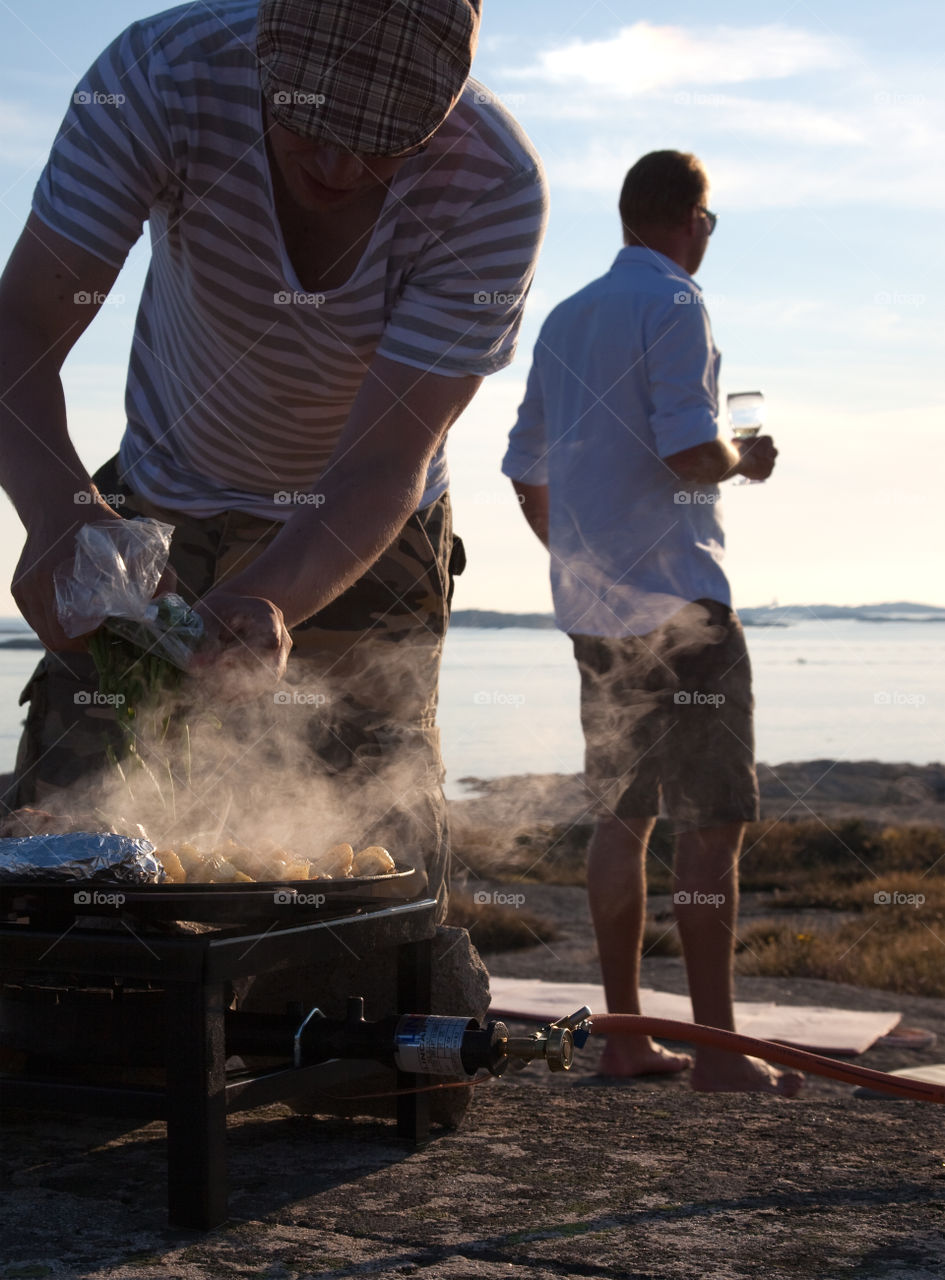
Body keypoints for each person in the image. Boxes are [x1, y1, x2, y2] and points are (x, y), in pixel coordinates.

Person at [0, 0, 547, 915]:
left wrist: (269, 596)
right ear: (261, 53)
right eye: (311, 125)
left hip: (363, 528)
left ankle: (378, 1048)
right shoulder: (161, 75)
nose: (339, 168)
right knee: (71, 836)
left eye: (382, 142)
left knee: (372, 861)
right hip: (154, 501)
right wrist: (59, 510)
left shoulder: (491, 184)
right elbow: (20, 326)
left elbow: (382, 461)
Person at [502, 150, 801, 1094]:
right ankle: (718, 1051)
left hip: (595, 613)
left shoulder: (564, 316)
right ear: (693, 222)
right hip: (680, 602)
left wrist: (577, 560)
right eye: (707, 222)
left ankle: (625, 1038)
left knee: (620, 818)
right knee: (710, 825)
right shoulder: (676, 302)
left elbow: (524, 467)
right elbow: (685, 452)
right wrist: (742, 460)